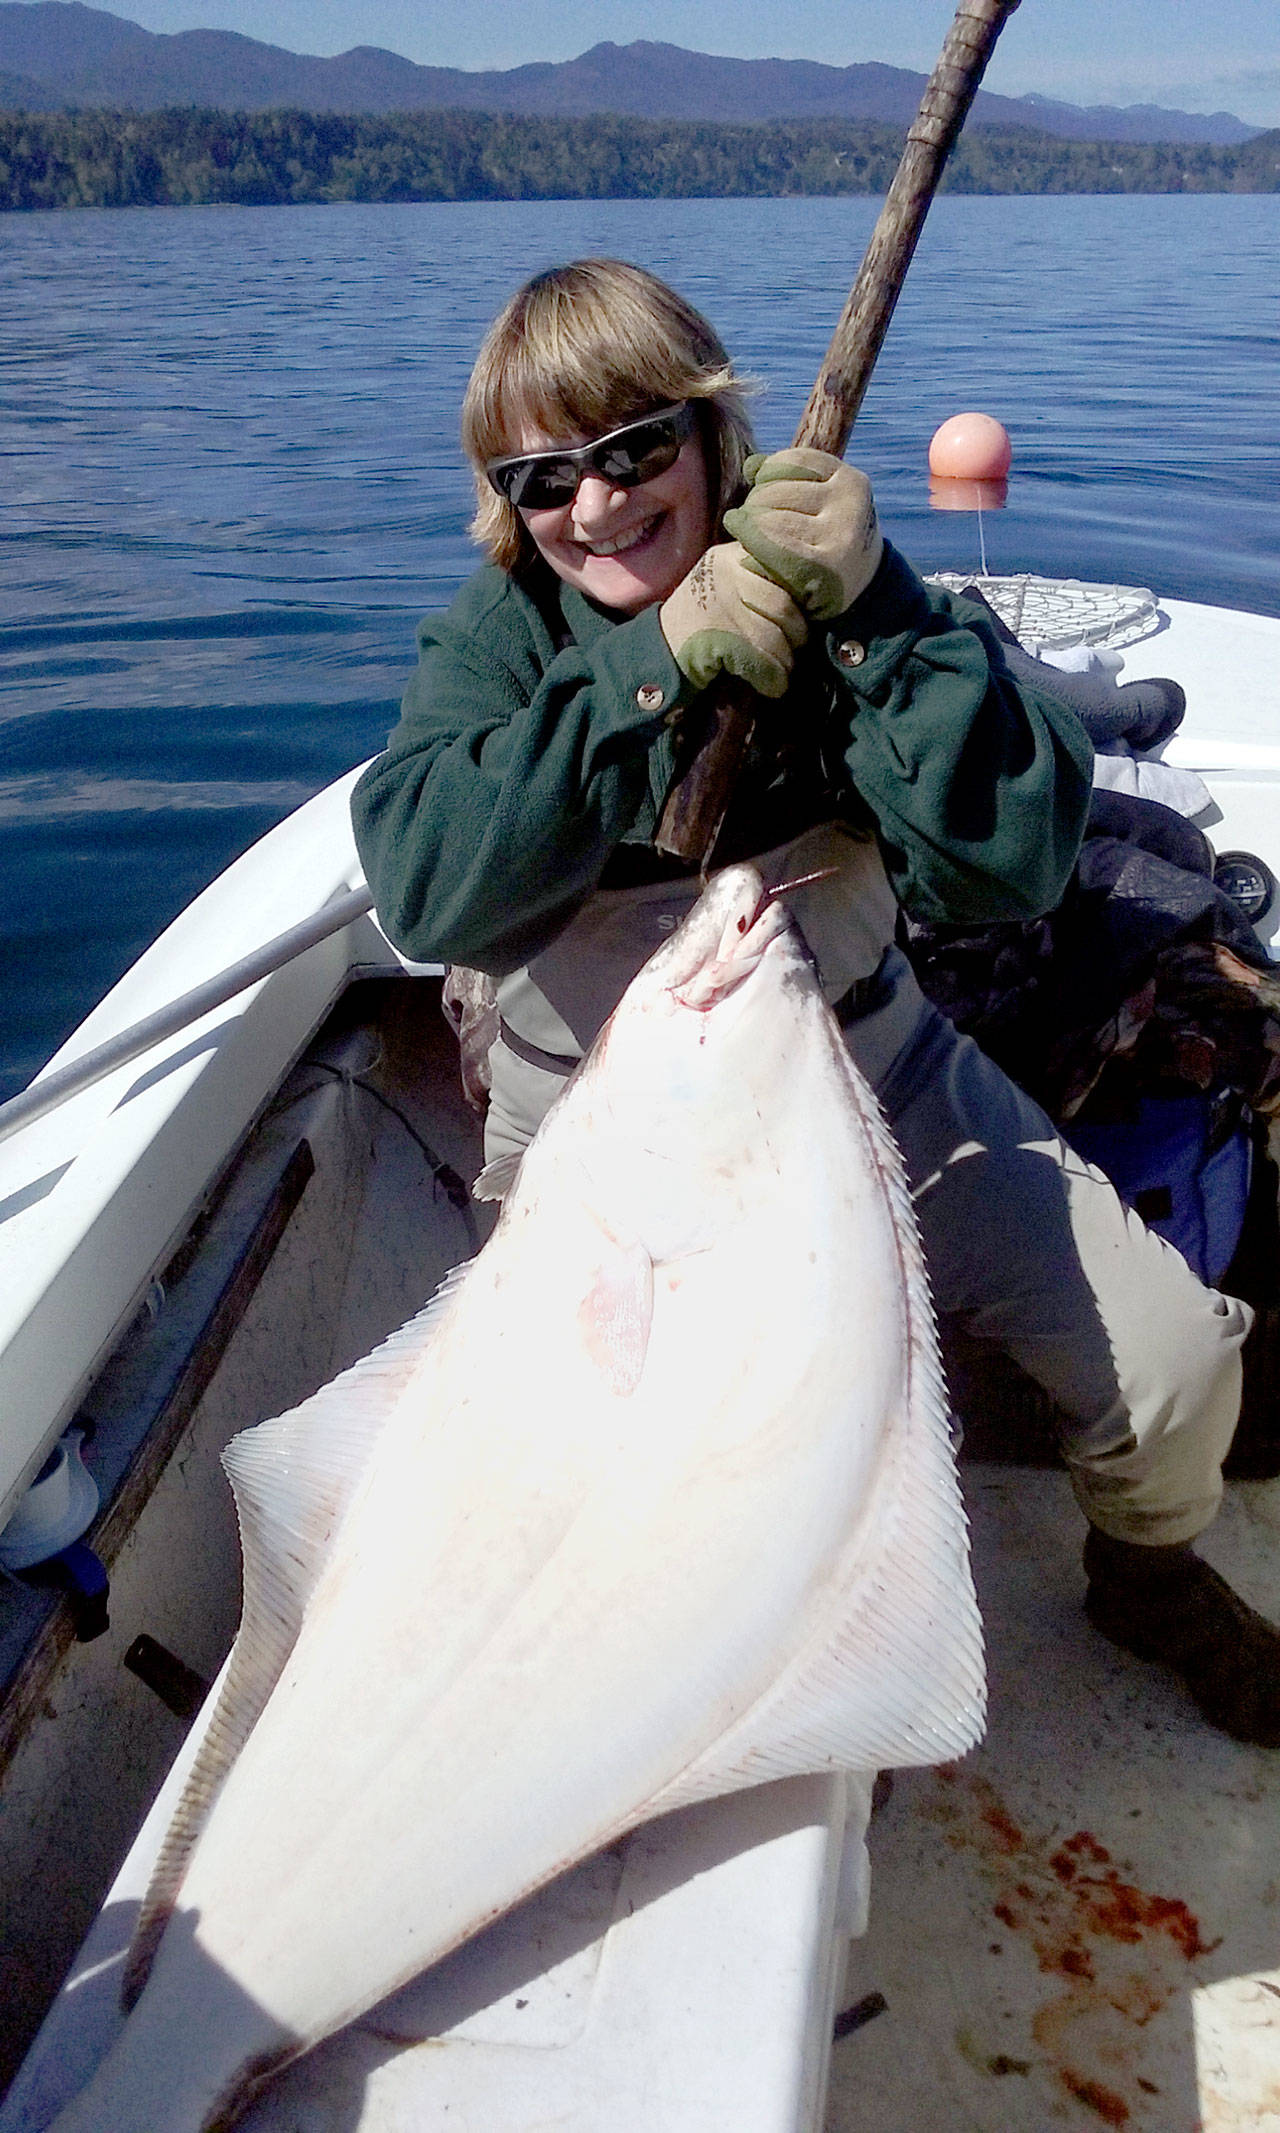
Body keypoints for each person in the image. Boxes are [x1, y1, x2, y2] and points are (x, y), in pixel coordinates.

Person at [352, 257, 1280, 1748]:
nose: (591, 506)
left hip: (871, 1073)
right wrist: (647, 675)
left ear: (716, 434)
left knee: (1177, 1376)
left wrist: (883, 619)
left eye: (633, 447)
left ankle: (1146, 1575)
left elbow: (1014, 861)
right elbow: (428, 886)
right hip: (594, 1119)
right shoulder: (501, 637)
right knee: (601, 1500)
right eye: (541, 480)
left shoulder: (850, 591)